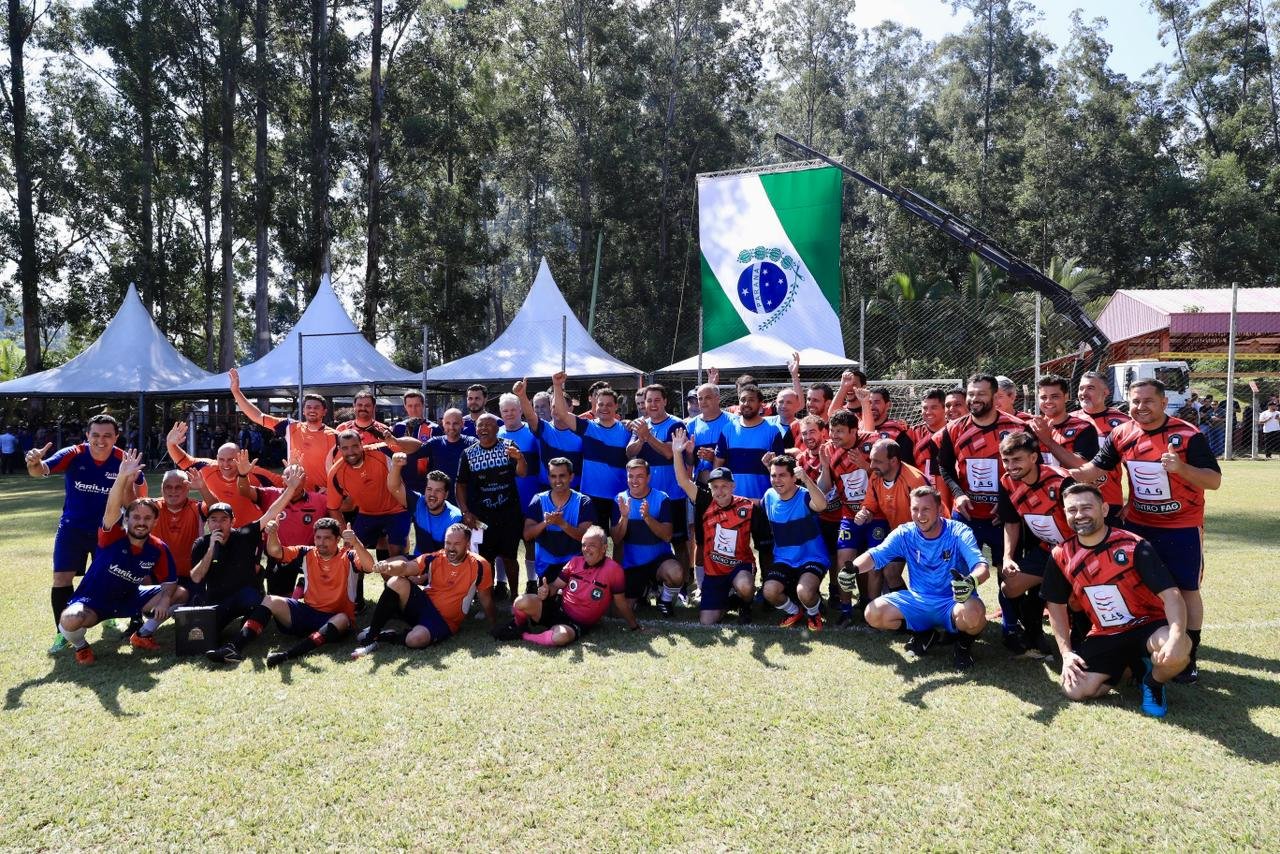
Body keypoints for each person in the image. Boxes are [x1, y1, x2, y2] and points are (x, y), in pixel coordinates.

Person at [1068, 378, 1221, 684]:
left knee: (1186, 589)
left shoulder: (1187, 435)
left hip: (1181, 527)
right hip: (1138, 526)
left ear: (1164, 402)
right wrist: (1061, 471)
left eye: (1148, 401)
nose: (1141, 407)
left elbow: (1214, 480)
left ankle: (1188, 656)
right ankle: (1141, 648)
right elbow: (1094, 470)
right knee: (1136, 587)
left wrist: (1181, 468)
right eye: (1135, 401)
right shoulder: (1122, 433)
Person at [1043, 484, 1192, 717]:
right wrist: (1066, 654)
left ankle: (1152, 682)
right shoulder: (1061, 555)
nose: (1079, 515)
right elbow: (1055, 606)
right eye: (1072, 510)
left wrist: (1175, 636)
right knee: (1075, 690)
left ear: (1104, 509)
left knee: (1178, 650)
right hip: (1106, 633)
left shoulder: (1133, 546)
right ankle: (1133, 665)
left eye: (1086, 508)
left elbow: (1172, 595)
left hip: (1148, 625)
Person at [28, 413, 147, 650]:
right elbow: (39, 470)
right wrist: (34, 462)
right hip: (72, 528)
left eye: (107, 435)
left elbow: (135, 502)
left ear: (116, 437)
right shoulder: (74, 453)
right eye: (95, 435)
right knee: (61, 578)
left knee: (113, 575)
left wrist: (127, 480)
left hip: (109, 530)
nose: (101, 441)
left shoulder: (124, 460)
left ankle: (116, 617)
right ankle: (62, 633)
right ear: (87, 435)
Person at [55, 449, 184, 663]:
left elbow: (170, 583)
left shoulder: (158, 548)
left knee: (180, 594)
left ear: (154, 522)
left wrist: (164, 601)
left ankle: (142, 635)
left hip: (130, 599)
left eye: (147, 518)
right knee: (70, 619)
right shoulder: (112, 536)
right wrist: (122, 477)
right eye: (136, 517)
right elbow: (112, 508)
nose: (141, 522)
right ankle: (81, 646)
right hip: (93, 603)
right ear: (127, 520)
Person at [934, 373, 1030, 653]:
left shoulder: (1016, 428)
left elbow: (1026, 469)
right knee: (957, 570)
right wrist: (958, 493)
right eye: (971, 394)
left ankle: (1011, 627)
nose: (975, 399)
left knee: (1007, 572)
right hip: (966, 515)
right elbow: (945, 467)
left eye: (981, 394)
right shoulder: (954, 429)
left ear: (995, 395)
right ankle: (961, 623)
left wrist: (1008, 501)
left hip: (1003, 517)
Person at [207, 517, 374, 666]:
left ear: (337, 539)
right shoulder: (307, 552)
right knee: (270, 600)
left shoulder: (349, 556)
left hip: (335, 620)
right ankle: (234, 648)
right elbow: (276, 552)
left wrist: (356, 542)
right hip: (307, 613)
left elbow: (369, 566)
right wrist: (273, 533)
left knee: (342, 618)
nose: (321, 542)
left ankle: (288, 655)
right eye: (318, 537)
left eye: (327, 538)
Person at [853, 487, 990, 669]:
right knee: (873, 613)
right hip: (919, 600)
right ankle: (924, 634)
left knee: (975, 613)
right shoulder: (905, 533)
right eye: (915, 509)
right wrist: (851, 569)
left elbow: (981, 566)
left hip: (953, 601)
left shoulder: (958, 531)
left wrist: (970, 581)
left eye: (926, 509)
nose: (920, 515)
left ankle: (962, 647)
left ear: (939, 509)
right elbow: (875, 555)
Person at [191, 465, 308, 633]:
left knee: (253, 602)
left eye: (224, 519)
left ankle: (247, 627)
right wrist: (211, 549)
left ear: (232, 521)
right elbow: (196, 577)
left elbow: (272, 512)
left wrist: (290, 488)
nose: (218, 524)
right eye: (213, 520)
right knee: (207, 636)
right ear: (208, 523)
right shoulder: (201, 544)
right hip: (218, 599)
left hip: (245, 597)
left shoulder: (244, 535)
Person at [351, 523, 496, 657]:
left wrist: (493, 624)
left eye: (457, 544)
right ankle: (371, 638)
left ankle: (388, 636)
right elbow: (406, 567)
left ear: (468, 544)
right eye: (448, 543)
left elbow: (486, 598)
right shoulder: (435, 558)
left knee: (415, 640)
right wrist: (388, 567)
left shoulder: (480, 565)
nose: (451, 548)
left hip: (445, 621)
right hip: (424, 606)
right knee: (396, 581)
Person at [995, 431, 1075, 658]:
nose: (1011, 466)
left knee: (1075, 599)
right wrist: (1007, 557)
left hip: (1075, 551)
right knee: (1010, 586)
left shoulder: (1061, 481)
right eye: (1006, 460)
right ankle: (1030, 632)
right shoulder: (1007, 482)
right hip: (1046, 549)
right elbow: (1011, 522)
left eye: (1017, 459)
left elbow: (1084, 521)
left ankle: (1081, 638)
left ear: (1033, 457)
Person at [493, 526, 641, 645]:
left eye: (592, 545)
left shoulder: (614, 570)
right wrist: (546, 591)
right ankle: (518, 625)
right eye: (584, 545)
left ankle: (523, 635)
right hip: (558, 608)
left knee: (560, 637)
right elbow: (555, 586)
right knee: (521, 601)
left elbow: (620, 602)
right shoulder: (575, 562)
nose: (586, 549)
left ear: (604, 548)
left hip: (576, 623)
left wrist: (634, 626)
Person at [671, 429, 757, 625]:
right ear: (709, 488)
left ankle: (745, 603)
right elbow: (683, 481)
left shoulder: (747, 506)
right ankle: (727, 601)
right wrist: (677, 452)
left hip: (739, 568)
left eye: (724, 486)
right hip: (714, 573)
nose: (720, 491)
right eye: (715, 486)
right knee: (707, 622)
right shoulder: (705, 501)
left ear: (733, 486)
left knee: (745, 586)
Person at [456, 412, 527, 599]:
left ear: (497, 428)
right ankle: (489, 600)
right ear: (475, 429)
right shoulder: (468, 454)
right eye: (480, 425)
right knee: (485, 560)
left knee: (510, 557)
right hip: (482, 518)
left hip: (509, 514)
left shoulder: (509, 446)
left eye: (488, 425)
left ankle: (515, 597)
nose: (483, 428)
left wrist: (520, 458)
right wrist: (465, 511)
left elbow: (522, 473)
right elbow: (460, 485)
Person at [230, 367, 337, 491]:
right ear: (303, 411)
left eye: (316, 407)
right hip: (295, 492)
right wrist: (236, 392)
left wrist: (332, 489)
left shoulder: (335, 436)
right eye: (308, 407)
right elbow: (258, 416)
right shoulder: (290, 427)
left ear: (324, 411)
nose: (312, 410)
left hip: (322, 494)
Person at [237, 462, 332, 595]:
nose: (293, 481)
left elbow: (342, 509)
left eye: (297, 477)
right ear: (282, 480)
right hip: (278, 557)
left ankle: (302, 588)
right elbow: (244, 490)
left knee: (315, 600)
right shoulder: (269, 494)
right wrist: (242, 475)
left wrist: (334, 488)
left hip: (309, 558)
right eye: (288, 477)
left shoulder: (320, 500)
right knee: (278, 602)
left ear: (305, 479)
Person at [760, 453, 831, 630]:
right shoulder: (769, 496)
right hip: (784, 559)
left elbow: (822, 505)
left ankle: (813, 613)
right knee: (769, 591)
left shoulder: (805, 496)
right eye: (773, 475)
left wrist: (807, 479)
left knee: (804, 592)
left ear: (794, 477)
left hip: (812, 557)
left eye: (782, 475)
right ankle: (794, 611)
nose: (777, 480)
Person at [551, 371, 630, 527]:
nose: (604, 408)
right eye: (600, 404)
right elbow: (561, 413)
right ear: (595, 405)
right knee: (594, 537)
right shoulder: (587, 426)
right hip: (591, 495)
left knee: (620, 538)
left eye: (609, 404)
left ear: (616, 406)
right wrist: (557, 385)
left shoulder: (626, 429)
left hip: (619, 495)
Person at [627, 383, 687, 585]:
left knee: (678, 541)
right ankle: (651, 583)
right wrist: (641, 439)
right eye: (649, 401)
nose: (653, 404)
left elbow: (669, 453)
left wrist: (648, 436)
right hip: (647, 496)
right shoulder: (641, 425)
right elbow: (629, 452)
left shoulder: (676, 424)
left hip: (674, 494)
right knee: (648, 538)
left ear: (665, 402)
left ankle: (682, 586)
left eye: (657, 400)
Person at [166, 421, 282, 523]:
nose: (225, 464)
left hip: (253, 532)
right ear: (217, 458)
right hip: (222, 532)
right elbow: (183, 460)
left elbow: (285, 484)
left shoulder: (254, 472)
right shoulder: (207, 467)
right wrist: (171, 444)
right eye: (221, 459)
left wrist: (291, 469)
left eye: (230, 460)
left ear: (239, 457)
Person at [610, 458, 683, 615]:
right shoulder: (619, 499)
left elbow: (667, 536)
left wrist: (648, 518)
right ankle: (644, 591)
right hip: (633, 565)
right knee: (619, 612)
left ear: (648, 478)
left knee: (676, 573)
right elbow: (616, 539)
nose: (634, 481)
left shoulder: (662, 498)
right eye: (631, 476)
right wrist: (624, 517)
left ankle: (665, 600)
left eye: (640, 476)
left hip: (659, 562)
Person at [792, 415, 842, 610]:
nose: (808, 437)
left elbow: (825, 489)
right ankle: (813, 591)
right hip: (814, 518)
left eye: (812, 432)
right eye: (804, 433)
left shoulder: (835, 452)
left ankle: (835, 589)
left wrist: (826, 466)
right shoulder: (801, 459)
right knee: (814, 554)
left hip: (838, 515)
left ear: (823, 432)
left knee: (836, 555)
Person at [523, 457, 596, 589]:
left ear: (571, 477)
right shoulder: (538, 500)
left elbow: (585, 537)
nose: (557, 481)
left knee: (572, 602)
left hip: (575, 564)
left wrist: (562, 524)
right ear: (548, 478)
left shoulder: (584, 502)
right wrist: (546, 522)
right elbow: (527, 535)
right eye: (553, 476)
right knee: (546, 600)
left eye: (562, 476)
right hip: (547, 566)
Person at [1070, 371, 1130, 516]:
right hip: (1073, 499)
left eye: (1090, 388)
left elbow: (1133, 466)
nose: (1084, 393)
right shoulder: (1069, 421)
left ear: (1105, 392)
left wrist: (1131, 502)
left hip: (1110, 500)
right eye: (1081, 388)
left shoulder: (1124, 423)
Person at [389, 462, 463, 556]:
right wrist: (396, 465)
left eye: (438, 491)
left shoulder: (455, 518)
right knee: (390, 563)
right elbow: (394, 488)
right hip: (418, 560)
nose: (432, 494)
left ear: (446, 494)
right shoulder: (418, 502)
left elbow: (454, 556)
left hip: (441, 562)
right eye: (429, 489)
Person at [418, 408, 478, 503]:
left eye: (455, 423)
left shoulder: (472, 443)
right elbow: (415, 451)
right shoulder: (435, 443)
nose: (451, 427)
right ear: (443, 423)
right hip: (440, 503)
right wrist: (396, 442)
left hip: (466, 503)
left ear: (462, 423)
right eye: (448, 423)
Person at [391, 390, 437, 496]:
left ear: (423, 405)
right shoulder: (398, 428)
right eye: (410, 406)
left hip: (427, 484)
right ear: (405, 406)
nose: (413, 409)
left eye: (417, 405)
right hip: (403, 483)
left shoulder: (434, 428)